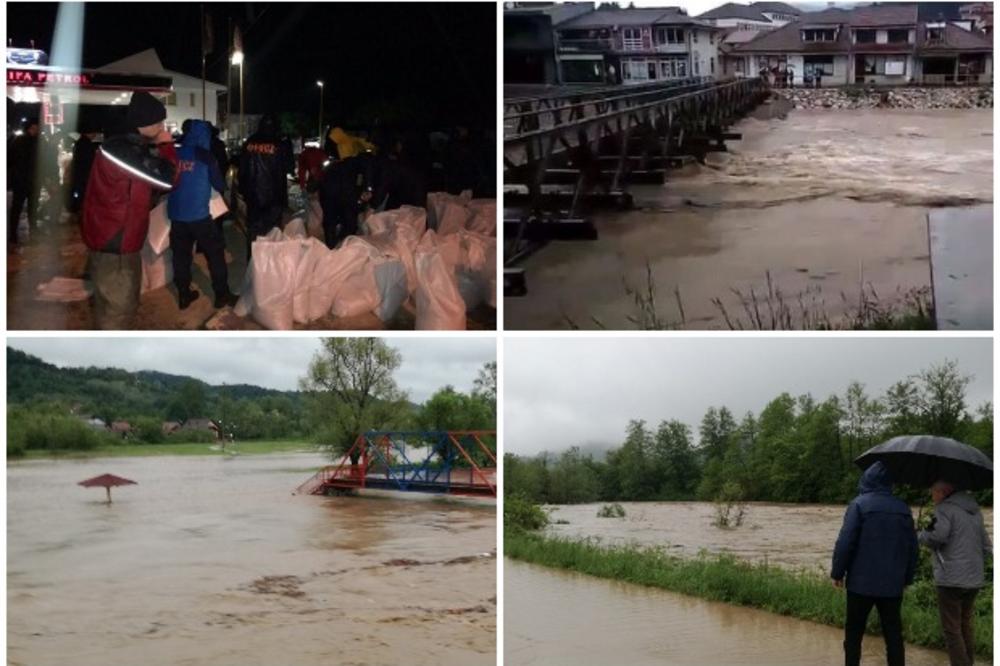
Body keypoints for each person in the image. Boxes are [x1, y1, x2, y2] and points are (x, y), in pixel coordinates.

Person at [81, 91, 177, 329]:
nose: (162, 126)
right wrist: (165, 145)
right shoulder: (125, 151)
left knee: (109, 306)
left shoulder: (122, 146)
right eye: (159, 122)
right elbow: (168, 179)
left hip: (109, 237)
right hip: (117, 243)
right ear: (146, 123)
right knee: (119, 311)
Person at [831, 462, 917, 666]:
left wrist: (837, 572)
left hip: (860, 584)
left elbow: (846, 541)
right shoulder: (903, 508)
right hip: (892, 585)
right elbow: (912, 547)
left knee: (854, 633)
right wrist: (907, 577)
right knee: (893, 634)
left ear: (867, 479)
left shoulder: (859, 504)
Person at [918, 480, 992, 666]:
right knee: (965, 625)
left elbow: (937, 537)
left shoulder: (944, 509)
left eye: (933, 491)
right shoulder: (975, 511)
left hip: (951, 578)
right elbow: (986, 546)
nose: (932, 495)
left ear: (943, 492)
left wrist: (922, 534)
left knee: (951, 629)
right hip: (974, 578)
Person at [166, 119, 237, 310]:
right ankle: (221, 295)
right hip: (199, 217)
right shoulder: (206, 156)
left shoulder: (174, 153)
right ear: (204, 135)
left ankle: (183, 295)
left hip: (176, 216)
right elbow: (220, 185)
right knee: (215, 254)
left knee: (181, 256)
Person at [237, 114, 292, 256]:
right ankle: (269, 266)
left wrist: (243, 191)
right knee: (272, 233)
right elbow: (290, 167)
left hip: (253, 196)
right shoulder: (280, 144)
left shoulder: (249, 143)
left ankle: (253, 264)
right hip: (274, 196)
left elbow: (242, 169)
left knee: (253, 233)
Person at [8, 119, 40, 245]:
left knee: (21, 208)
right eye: (35, 128)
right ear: (30, 128)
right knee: (24, 208)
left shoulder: (19, 141)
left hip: (24, 180)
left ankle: (16, 235)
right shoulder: (28, 142)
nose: (37, 130)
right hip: (26, 180)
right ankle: (20, 234)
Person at [69, 126, 100, 214]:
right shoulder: (87, 144)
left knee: (77, 191)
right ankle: (75, 209)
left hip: (78, 172)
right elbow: (88, 161)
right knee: (79, 192)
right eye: (94, 133)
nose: (95, 135)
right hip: (83, 173)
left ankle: (74, 208)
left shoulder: (80, 142)